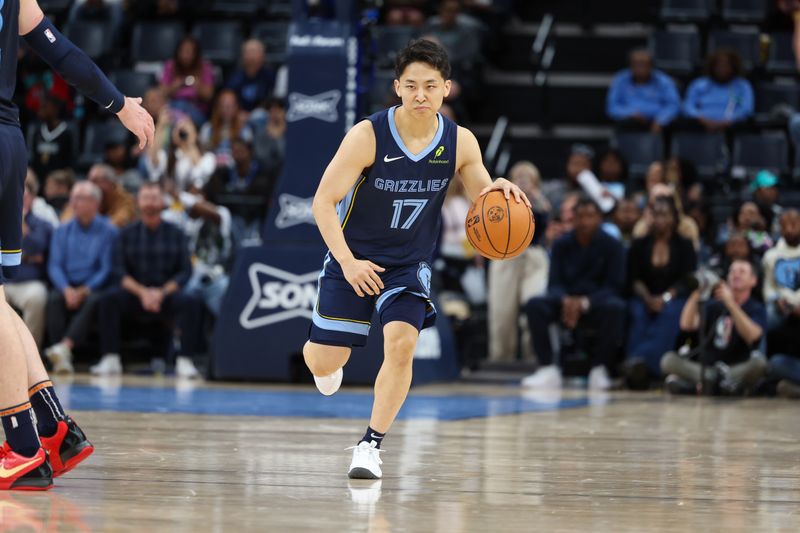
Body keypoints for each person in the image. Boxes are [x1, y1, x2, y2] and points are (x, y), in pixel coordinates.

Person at [302, 39, 530, 479]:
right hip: (356, 258)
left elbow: (485, 197)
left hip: (409, 264)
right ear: (397, 88)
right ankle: (327, 361)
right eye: (411, 86)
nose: (421, 95)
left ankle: (370, 445)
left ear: (447, 88)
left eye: (430, 86)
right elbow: (321, 203)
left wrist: (500, 185)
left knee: (402, 345)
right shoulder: (368, 136)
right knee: (322, 362)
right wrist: (348, 263)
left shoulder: (459, 141)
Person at [0, 0, 154, 491]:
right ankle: (52, 426)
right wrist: (120, 103)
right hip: (9, 140)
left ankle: (20, 446)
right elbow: (57, 49)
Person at [94, 182, 203, 379]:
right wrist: (143, 293)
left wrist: (160, 293)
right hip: (136, 294)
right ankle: (110, 358)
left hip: (166, 294)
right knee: (108, 299)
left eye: (154, 198)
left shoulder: (177, 234)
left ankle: (185, 361)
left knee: (191, 302)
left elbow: (185, 272)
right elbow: (119, 271)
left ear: (162, 202)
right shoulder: (126, 234)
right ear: (138, 202)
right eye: (146, 198)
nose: (150, 204)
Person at [521, 197, 626, 391]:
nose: (585, 221)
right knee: (535, 305)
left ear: (600, 219)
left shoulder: (613, 245)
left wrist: (585, 302)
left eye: (591, 216)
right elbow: (554, 284)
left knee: (616, 307)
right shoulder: (561, 244)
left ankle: (600, 369)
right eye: (581, 216)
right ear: (574, 219)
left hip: (596, 303)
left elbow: (615, 285)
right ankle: (547, 368)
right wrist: (566, 300)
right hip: (565, 301)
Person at [661, 260, 767, 395]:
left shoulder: (756, 308)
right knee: (668, 360)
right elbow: (687, 325)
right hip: (706, 368)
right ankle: (719, 385)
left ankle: (697, 386)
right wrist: (697, 293)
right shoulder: (713, 305)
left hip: (733, 369)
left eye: (742, 272)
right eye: (732, 271)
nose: (736, 275)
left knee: (760, 364)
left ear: (753, 280)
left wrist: (731, 304)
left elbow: (753, 336)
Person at [44, 181, 118, 374]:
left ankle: (64, 347)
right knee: (53, 298)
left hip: (93, 285)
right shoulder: (62, 230)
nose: (74, 203)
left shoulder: (109, 231)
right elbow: (54, 265)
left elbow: (106, 268)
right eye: (73, 198)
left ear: (95, 203)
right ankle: (60, 357)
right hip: (67, 284)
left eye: (80, 199)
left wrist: (85, 289)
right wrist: (66, 289)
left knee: (94, 300)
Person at [625, 197, 697, 387]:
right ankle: (634, 366)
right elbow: (634, 278)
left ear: (674, 218)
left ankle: (647, 367)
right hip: (644, 296)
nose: (659, 219)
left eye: (664, 214)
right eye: (655, 214)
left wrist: (665, 298)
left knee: (670, 314)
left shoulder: (685, 245)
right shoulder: (639, 244)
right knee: (637, 313)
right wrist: (648, 298)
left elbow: (687, 280)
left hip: (674, 297)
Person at [487, 161, 550, 362]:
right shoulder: (499, 200)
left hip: (534, 257)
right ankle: (501, 359)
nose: (523, 183)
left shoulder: (541, 201)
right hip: (506, 256)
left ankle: (535, 358)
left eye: (528, 179)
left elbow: (546, 218)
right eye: (519, 178)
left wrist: (534, 196)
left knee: (533, 305)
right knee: (502, 313)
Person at [3, 173, 52, 348]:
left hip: (30, 282)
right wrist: (29, 257)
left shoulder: (42, 224)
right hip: (4, 282)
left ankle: (30, 352)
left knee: (37, 298)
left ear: (32, 197)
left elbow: (36, 247)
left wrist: (20, 227)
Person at [606, 48, 680, 132]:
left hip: (658, 121)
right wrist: (631, 113)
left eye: (644, 65)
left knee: (674, 124)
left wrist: (660, 120)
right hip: (630, 121)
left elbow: (673, 105)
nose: (640, 68)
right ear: (630, 66)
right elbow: (612, 107)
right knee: (625, 124)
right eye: (636, 64)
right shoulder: (620, 80)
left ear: (651, 66)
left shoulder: (664, 81)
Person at [682, 49, 754, 132]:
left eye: (726, 66)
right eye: (719, 66)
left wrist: (728, 121)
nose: (722, 69)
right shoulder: (698, 84)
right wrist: (702, 120)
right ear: (712, 67)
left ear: (733, 67)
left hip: (732, 127)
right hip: (701, 126)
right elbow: (688, 106)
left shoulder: (742, 86)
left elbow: (746, 109)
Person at [762, 210, 800, 353]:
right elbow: (769, 287)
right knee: (762, 319)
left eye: (794, 224)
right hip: (782, 306)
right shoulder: (771, 255)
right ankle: (760, 361)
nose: (789, 229)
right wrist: (777, 299)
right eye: (784, 226)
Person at [159, 36, 215, 125]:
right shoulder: (170, 66)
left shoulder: (205, 67)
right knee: (171, 109)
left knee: (179, 106)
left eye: (189, 52)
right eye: (182, 51)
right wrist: (175, 86)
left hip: (197, 111)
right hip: (172, 107)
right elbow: (161, 93)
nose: (185, 55)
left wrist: (198, 86)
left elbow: (209, 95)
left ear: (196, 53)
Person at [199, 89, 253, 167]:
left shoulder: (245, 130)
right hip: (213, 168)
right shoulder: (207, 129)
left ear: (236, 107)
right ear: (217, 107)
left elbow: (246, 156)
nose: (226, 109)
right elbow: (202, 153)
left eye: (229, 105)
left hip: (234, 168)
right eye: (223, 105)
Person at [29, 95, 72, 181]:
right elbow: (33, 159)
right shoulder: (37, 132)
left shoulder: (67, 133)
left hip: (59, 181)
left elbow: (71, 163)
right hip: (38, 180)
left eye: (44, 107)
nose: (40, 110)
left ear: (55, 109)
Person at [226, 39, 276, 113]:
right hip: (239, 116)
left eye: (254, 52)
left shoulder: (270, 76)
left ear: (263, 56)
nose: (251, 57)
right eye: (247, 52)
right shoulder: (235, 76)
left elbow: (274, 101)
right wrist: (237, 114)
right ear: (242, 56)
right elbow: (228, 98)